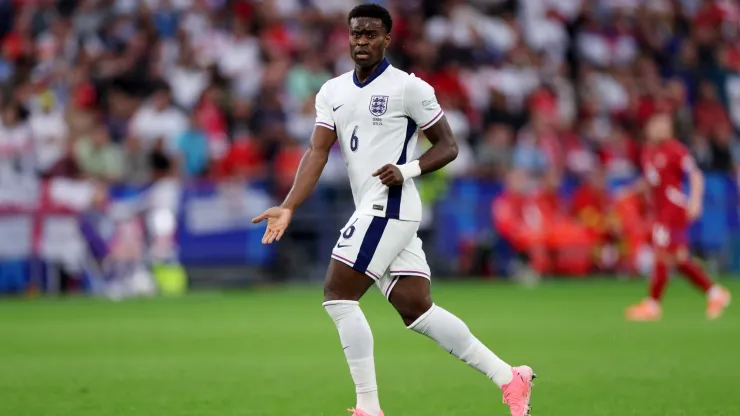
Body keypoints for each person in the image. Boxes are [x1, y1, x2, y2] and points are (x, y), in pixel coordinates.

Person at [252, 4, 535, 416]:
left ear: (387, 38)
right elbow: (316, 151)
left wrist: (408, 169)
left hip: (391, 205)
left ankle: (368, 407)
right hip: (374, 207)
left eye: (370, 34)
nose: (361, 41)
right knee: (416, 307)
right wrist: (289, 205)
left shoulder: (409, 88)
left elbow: (448, 146)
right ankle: (510, 378)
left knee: (337, 295)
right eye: (355, 34)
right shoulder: (332, 91)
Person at [622, 113, 731, 321]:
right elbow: (650, 180)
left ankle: (653, 304)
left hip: (672, 209)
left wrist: (696, 201)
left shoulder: (675, 150)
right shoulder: (647, 151)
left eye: (664, 125)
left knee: (661, 255)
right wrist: (629, 191)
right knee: (679, 259)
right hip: (660, 209)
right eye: (655, 124)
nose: (659, 129)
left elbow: (695, 175)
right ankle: (715, 293)